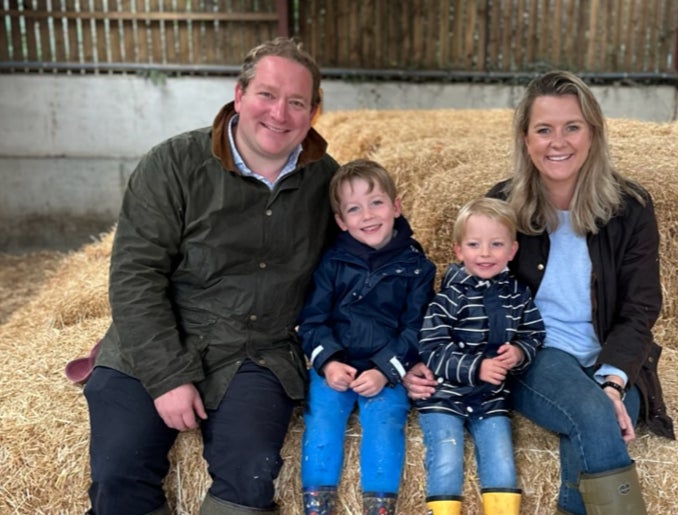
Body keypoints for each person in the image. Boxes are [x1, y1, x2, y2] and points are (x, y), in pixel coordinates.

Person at [81, 37, 339, 515]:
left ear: (313, 112)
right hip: (159, 337)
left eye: (297, 102)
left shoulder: (328, 182)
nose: (279, 113)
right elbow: (136, 276)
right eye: (267, 94)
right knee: (120, 470)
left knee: (251, 471)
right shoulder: (173, 164)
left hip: (257, 349)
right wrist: (166, 376)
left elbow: (366, 262)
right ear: (239, 96)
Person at [405, 70, 675, 515]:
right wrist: (428, 356)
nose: (558, 142)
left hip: (614, 356)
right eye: (544, 129)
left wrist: (612, 379)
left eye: (572, 127)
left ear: (594, 132)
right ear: (525, 139)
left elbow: (640, 307)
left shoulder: (630, 207)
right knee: (593, 415)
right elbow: (464, 283)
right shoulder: (504, 205)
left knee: (593, 417)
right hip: (536, 351)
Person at [297, 159, 436, 515]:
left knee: (385, 424)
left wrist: (385, 370)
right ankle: (317, 506)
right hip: (336, 366)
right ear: (341, 221)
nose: (368, 215)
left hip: (385, 369)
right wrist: (327, 362)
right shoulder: (332, 263)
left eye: (376, 203)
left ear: (396, 206)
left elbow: (415, 328)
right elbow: (312, 320)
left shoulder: (417, 267)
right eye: (354, 209)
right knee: (322, 419)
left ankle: (379, 507)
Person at [416, 198, 545, 515]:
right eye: (475, 244)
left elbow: (534, 333)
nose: (485, 253)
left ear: (512, 251)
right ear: (459, 250)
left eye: (496, 244)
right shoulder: (449, 297)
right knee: (447, 458)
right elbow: (431, 347)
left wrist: (519, 352)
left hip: (490, 399)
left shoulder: (517, 295)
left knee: (501, 459)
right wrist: (476, 367)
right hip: (444, 396)